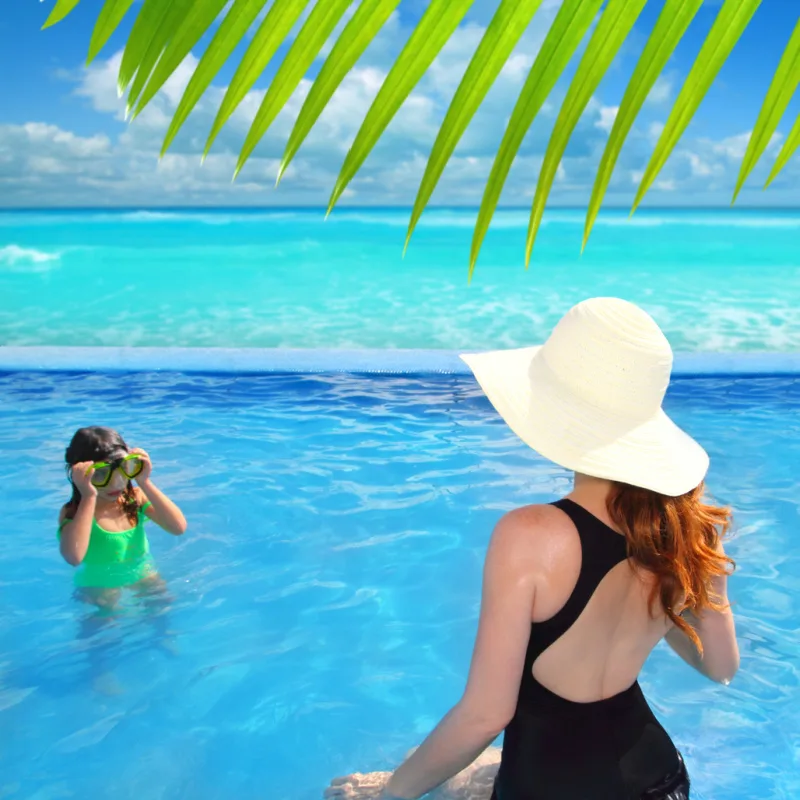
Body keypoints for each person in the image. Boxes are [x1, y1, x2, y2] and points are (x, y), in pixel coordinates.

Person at [325, 297, 739, 800]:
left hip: (548, 785)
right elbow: (720, 667)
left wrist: (390, 793)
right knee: (475, 776)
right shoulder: (688, 532)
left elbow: (484, 715)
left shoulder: (531, 534)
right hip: (661, 779)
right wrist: (666, 595)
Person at [59, 426, 187, 605]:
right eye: (101, 474)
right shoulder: (75, 511)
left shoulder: (135, 499)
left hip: (143, 574)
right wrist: (89, 496)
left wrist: (144, 482)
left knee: (162, 607)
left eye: (124, 470)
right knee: (105, 624)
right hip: (99, 584)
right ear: (81, 474)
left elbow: (178, 528)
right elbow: (73, 557)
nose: (116, 484)